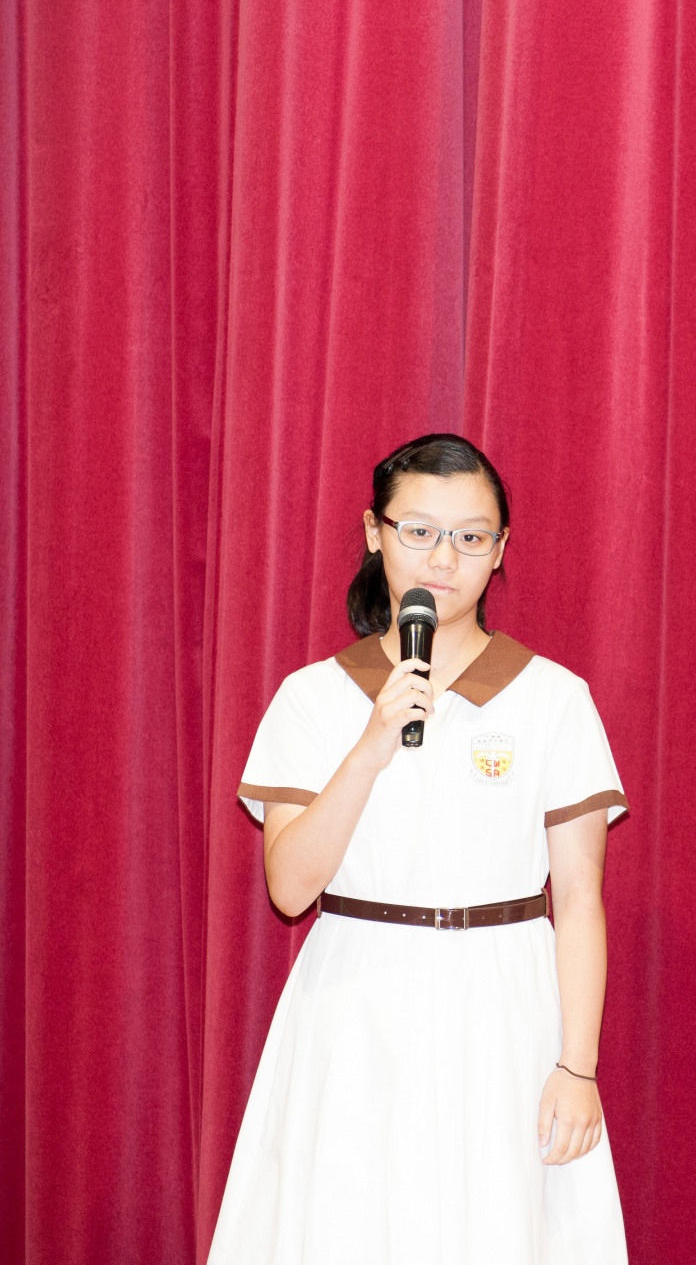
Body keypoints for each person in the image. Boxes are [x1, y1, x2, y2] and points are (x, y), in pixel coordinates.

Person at [209, 433, 629, 1264]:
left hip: (504, 1002)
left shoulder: (553, 698)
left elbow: (580, 897)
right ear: (376, 532)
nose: (444, 558)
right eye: (420, 531)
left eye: (471, 537)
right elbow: (290, 888)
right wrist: (370, 746)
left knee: (499, 1229)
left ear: (500, 549)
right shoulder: (312, 698)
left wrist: (576, 1066)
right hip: (354, 1004)